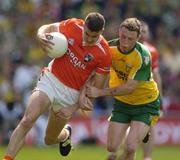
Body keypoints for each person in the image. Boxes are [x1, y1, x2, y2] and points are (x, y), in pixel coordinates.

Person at [2, 12, 111, 160]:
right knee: (27, 119)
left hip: (70, 95)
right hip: (51, 79)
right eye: (87, 34)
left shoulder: (104, 53)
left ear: (101, 32)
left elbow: (95, 89)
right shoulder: (73, 25)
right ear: (84, 25)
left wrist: (73, 108)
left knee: (49, 140)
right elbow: (47, 28)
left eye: (94, 36)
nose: (90, 39)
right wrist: (40, 36)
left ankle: (65, 134)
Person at [86, 18, 161, 160]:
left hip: (145, 103)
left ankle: (139, 141)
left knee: (131, 146)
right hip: (122, 103)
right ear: (119, 33)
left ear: (138, 38)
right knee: (112, 147)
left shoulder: (143, 56)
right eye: (123, 37)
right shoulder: (109, 48)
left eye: (130, 39)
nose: (125, 42)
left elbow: (130, 87)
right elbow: (95, 70)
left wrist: (100, 92)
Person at [140, 21, 163, 160]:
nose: (142, 34)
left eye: (145, 31)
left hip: (147, 95)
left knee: (149, 125)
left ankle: (147, 157)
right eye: (140, 31)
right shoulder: (124, 48)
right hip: (127, 94)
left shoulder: (152, 51)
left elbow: (156, 76)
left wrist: (161, 98)